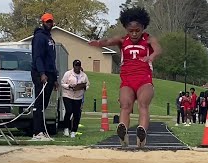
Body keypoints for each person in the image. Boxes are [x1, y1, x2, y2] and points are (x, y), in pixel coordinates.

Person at [88, 7, 162, 147]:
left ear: (143, 28)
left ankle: (142, 134)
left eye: (137, 30)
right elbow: (108, 41)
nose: (134, 34)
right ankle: (123, 132)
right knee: (125, 105)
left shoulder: (148, 39)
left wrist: (151, 56)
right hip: (127, 80)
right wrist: (98, 43)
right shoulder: (122, 40)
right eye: (131, 30)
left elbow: (158, 49)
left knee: (143, 105)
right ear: (126, 29)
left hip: (144, 79)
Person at [31, 13, 58, 140]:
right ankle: (37, 132)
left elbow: (52, 60)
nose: (49, 24)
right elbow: (38, 57)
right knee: (39, 103)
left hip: (50, 74)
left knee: (44, 104)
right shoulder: (39, 37)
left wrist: (55, 78)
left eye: (51, 22)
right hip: (41, 73)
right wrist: (42, 73)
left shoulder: (50, 38)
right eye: (47, 22)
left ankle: (42, 130)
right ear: (42, 22)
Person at [61, 60, 89, 138]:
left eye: (79, 66)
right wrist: (69, 86)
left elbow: (87, 84)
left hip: (78, 96)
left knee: (76, 114)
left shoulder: (84, 75)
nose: (77, 67)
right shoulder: (68, 74)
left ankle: (74, 131)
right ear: (73, 66)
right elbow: (63, 83)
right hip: (68, 95)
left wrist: (83, 87)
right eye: (76, 66)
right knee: (69, 111)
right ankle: (66, 128)